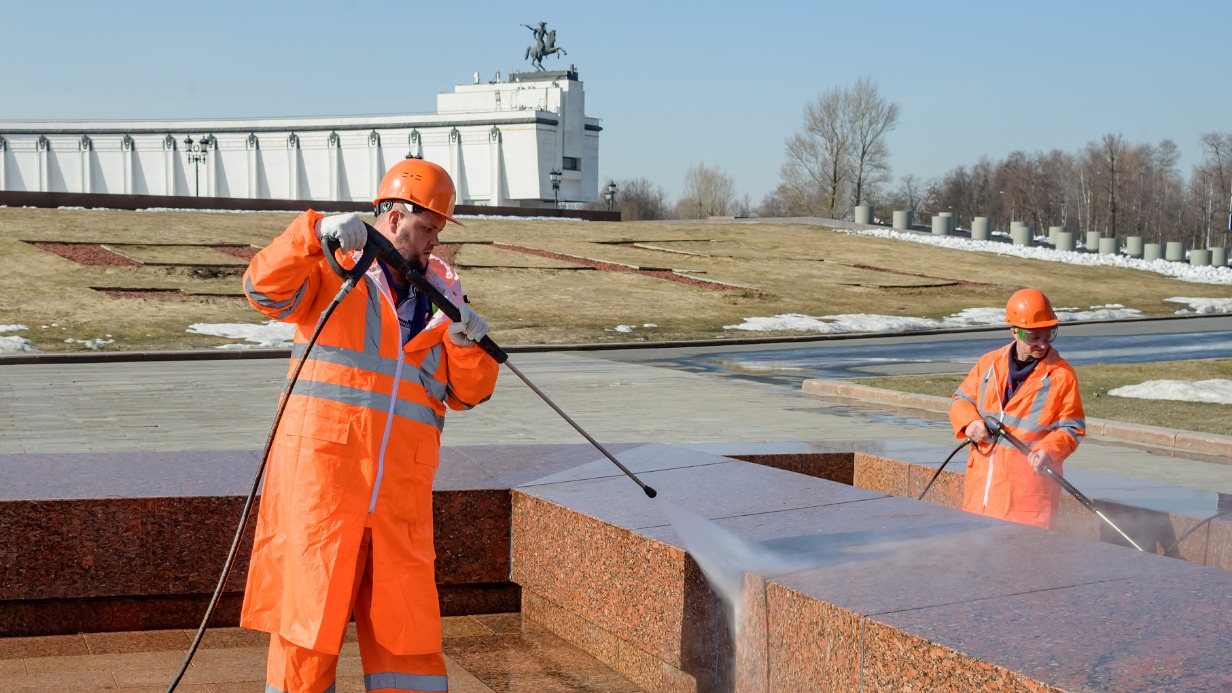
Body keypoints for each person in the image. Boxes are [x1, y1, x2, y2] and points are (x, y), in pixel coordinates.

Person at [239, 157, 499, 693]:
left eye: (439, 230)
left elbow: (468, 393)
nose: (435, 241)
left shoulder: (443, 298)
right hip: (325, 498)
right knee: (305, 645)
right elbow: (263, 290)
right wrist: (312, 233)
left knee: (410, 651)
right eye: (428, 227)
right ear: (394, 216)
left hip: (400, 507)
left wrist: (466, 346)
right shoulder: (332, 266)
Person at [948, 288, 1085, 529]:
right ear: (1015, 331)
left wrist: (1048, 451)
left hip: (1027, 499)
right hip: (982, 495)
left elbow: (1072, 428)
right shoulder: (989, 363)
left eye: (1049, 335)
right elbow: (961, 399)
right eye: (1034, 337)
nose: (1042, 344)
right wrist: (970, 422)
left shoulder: (1061, 375)